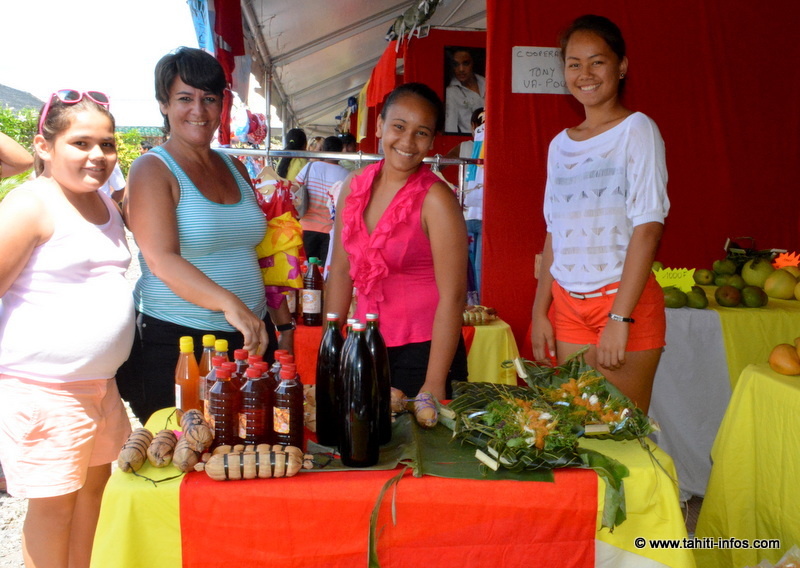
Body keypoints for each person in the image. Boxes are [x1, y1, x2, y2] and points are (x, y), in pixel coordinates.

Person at [118, 47, 292, 422]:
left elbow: (257, 253)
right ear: (164, 104)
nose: (198, 111)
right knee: (182, 453)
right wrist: (231, 304)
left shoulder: (236, 167)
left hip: (249, 336)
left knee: (246, 444)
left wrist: (281, 322)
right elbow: (162, 258)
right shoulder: (152, 169)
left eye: (209, 99)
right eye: (185, 98)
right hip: (180, 341)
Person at [0, 90, 134, 567]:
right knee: (54, 509)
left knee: (94, 495)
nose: (97, 156)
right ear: (43, 146)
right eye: (81, 143)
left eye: (107, 144)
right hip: (44, 391)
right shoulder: (31, 205)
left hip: (99, 387)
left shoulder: (105, 204)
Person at [530, 15, 670, 413]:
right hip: (568, 307)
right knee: (579, 430)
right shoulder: (560, 145)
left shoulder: (637, 129)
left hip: (623, 304)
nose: (585, 74)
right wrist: (541, 311)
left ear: (621, 66)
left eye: (597, 62)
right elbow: (554, 232)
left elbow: (648, 229)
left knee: (623, 432)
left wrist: (620, 319)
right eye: (574, 64)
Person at [326, 83, 469, 400]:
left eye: (421, 133)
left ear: (432, 140)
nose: (407, 141)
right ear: (380, 126)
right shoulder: (354, 186)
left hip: (425, 353)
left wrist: (432, 385)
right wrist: (331, 345)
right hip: (364, 345)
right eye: (399, 127)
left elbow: (454, 296)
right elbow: (339, 271)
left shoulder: (436, 200)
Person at [446, 107, 485, 303]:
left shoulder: (464, 146)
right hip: (487, 214)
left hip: (466, 212)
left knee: (463, 267)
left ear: (472, 126)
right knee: (480, 269)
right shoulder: (497, 144)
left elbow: (440, 165)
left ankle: (467, 305)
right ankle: (481, 307)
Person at [294, 135, 349, 261]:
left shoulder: (309, 167)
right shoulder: (346, 174)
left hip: (306, 227)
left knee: (305, 269)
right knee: (324, 272)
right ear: (341, 150)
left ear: (323, 149)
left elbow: (294, 190)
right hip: (331, 231)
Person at [444, 47, 485, 134]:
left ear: (473, 63)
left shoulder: (486, 82)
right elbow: (450, 128)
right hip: (470, 142)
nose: (461, 69)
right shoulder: (451, 92)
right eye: (456, 64)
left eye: (466, 63)